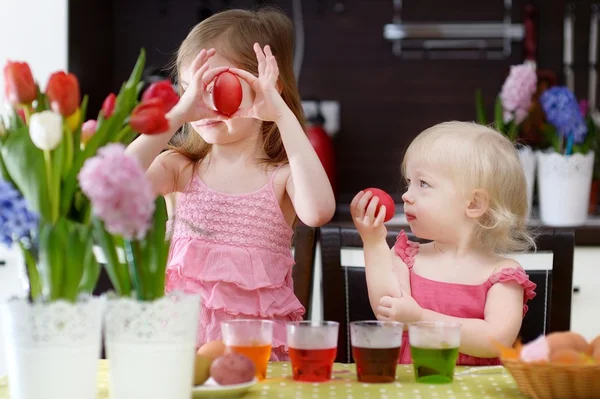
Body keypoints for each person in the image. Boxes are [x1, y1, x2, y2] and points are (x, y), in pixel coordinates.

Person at [126, 8, 335, 360]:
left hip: (258, 358)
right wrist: (176, 113)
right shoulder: (180, 167)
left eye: (218, 86)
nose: (202, 103)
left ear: (265, 89)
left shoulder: (281, 177)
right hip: (179, 355)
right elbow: (118, 184)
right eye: (191, 88)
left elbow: (318, 211)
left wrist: (280, 112)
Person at [351, 121, 537, 365]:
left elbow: (497, 340)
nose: (406, 195)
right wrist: (373, 241)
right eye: (409, 182)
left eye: (423, 184)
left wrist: (420, 318)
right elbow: (388, 311)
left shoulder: (503, 274)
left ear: (473, 204)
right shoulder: (408, 257)